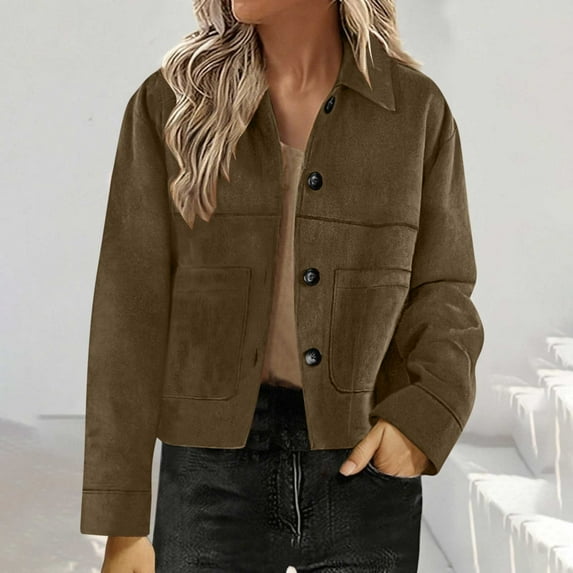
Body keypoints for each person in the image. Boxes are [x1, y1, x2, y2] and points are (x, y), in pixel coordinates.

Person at [80, 0, 485, 571]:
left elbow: (443, 290)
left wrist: (421, 422)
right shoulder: (167, 104)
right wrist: (121, 526)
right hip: (208, 474)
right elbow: (129, 314)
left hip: (364, 464)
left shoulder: (416, 111)